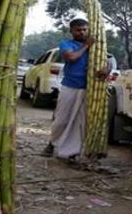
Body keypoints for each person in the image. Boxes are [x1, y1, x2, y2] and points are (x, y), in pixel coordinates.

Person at [43, 18, 107, 160]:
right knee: (61, 119)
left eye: (84, 29)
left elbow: (108, 61)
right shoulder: (67, 44)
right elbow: (71, 57)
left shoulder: (96, 46)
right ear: (71, 31)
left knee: (80, 123)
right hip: (69, 86)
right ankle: (52, 144)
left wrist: (107, 70)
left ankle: (72, 152)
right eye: (78, 30)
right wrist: (86, 46)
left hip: (89, 89)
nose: (82, 32)